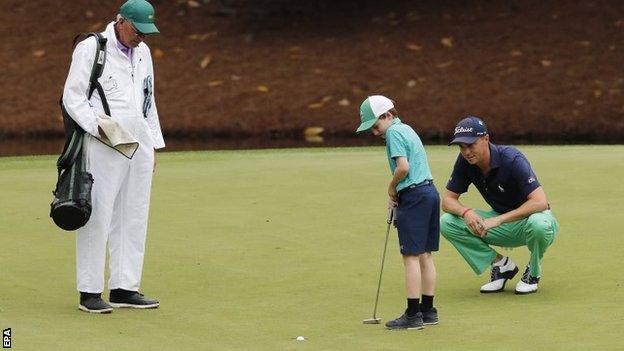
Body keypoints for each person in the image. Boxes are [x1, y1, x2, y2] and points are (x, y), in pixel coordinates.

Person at [62, 0, 165, 313]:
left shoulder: (144, 52)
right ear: (121, 21)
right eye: (138, 30)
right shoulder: (93, 48)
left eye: (147, 32)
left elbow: (148, 98)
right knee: (98, 215)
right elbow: (73, 97)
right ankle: (89, 291)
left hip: (138, 145)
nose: (141, 37)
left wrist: (153, 144)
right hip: (104, 144)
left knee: (134, 215)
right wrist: (101, 130)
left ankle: (124, 287)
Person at [440, 116, 559, 295]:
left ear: (486, 139)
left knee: (538, 224)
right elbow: (447, 200)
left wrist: (498, 220)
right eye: (461, 147)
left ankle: (533, 273)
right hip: (501, 226)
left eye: (470, 145)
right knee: (447, 222)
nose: (466, 152)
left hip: (531, 222)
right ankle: (501, 265)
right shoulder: (465, 162)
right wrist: (466, 212)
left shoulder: (511, 158)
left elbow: (540, 202)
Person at [356, 95, 440, 330]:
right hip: (429, 192)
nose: (375, 132)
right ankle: (428, 310)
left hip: (414, 196)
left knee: (410, 257)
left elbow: (403, 167)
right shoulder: (407, 128)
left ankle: (413, 315)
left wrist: (392, 188)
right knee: (425, 255)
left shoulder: (393, 133)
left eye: (375, 125)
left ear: (388, 115)